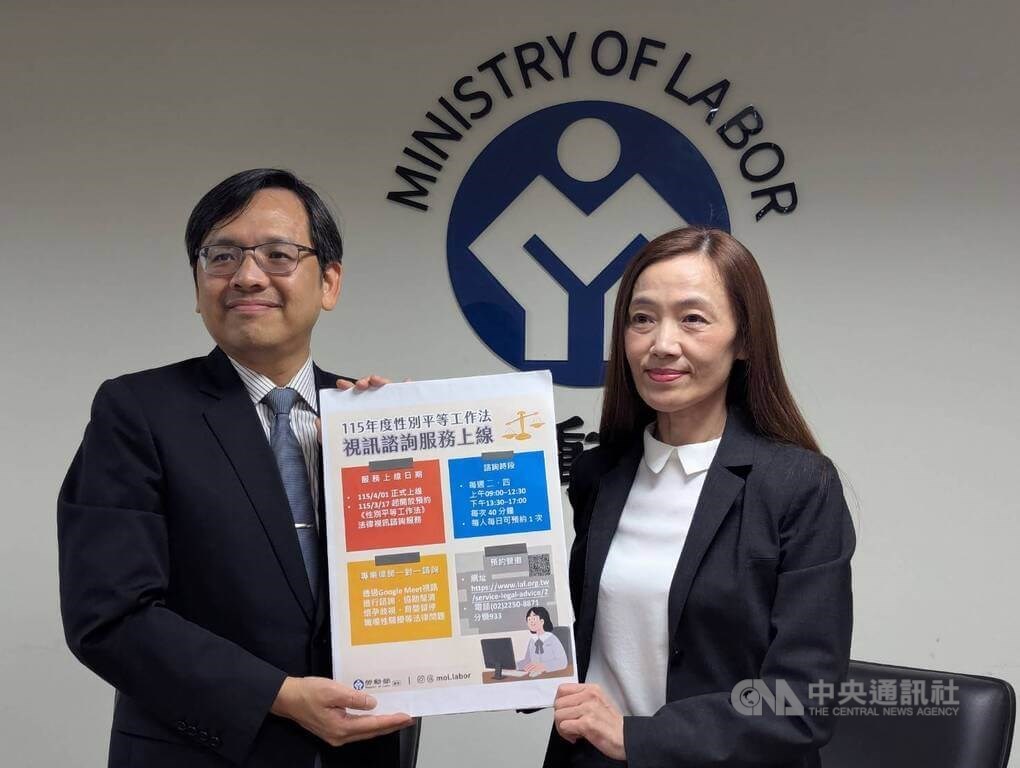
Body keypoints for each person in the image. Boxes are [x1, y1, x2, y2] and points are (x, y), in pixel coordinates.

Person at [58, 169, 412, 768]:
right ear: (198, 286)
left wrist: (403, 456)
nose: (247, 276)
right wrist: (280, 697)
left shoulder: (373, 421)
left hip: (364, 753)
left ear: (329, 282)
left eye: (278, 255)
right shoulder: (137, 411)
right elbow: (109, 615)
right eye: (222, 256)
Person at [547, 227, 854, 767]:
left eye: (693, 318)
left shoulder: (798, 485)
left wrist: (637, 738)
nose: (662, 344)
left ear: (745, 340)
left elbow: (802, 701)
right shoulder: (600, 474)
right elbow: (552, 639)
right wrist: (393, 429)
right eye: (642, 319)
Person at [517, 607, 568, 675]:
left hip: (552, 674)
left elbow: (563, 662)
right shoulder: (532, 640)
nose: (531, 622)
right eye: (529, 619)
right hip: (536, 675)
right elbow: (527, 661)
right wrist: (514, 665)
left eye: (534, 619)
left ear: (542, 621)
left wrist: (543, 666)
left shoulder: (552, 638)